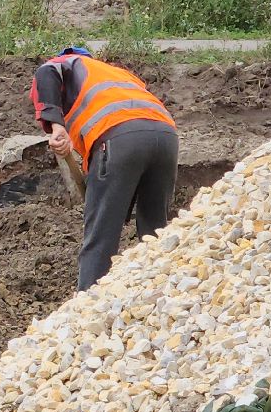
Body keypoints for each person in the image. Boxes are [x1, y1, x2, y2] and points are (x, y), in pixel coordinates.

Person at [30, 46, 179, 290]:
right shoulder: (117, 73)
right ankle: (160, 297)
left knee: (100, 237)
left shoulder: (65, 63)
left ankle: (86, 309)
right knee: (155, 233)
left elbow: (46, 73)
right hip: (166, 137)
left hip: (117, 137)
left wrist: (56, 127)